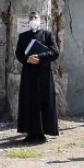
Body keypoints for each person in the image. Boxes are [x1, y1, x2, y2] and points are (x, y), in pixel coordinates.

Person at [15, 11, 59, 142]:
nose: (33, 19)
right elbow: (18, 53)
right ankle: (30, 132)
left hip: (43, 75)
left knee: (42, 101)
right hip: (29, 75)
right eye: (31, 18)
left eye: (35, 18)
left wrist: (39, 58)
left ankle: (42, 133)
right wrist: (27, 59)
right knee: (29, 101)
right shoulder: (23, 36)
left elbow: (55, 52)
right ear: (28, 21)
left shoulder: (47, 35)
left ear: (40, 21)